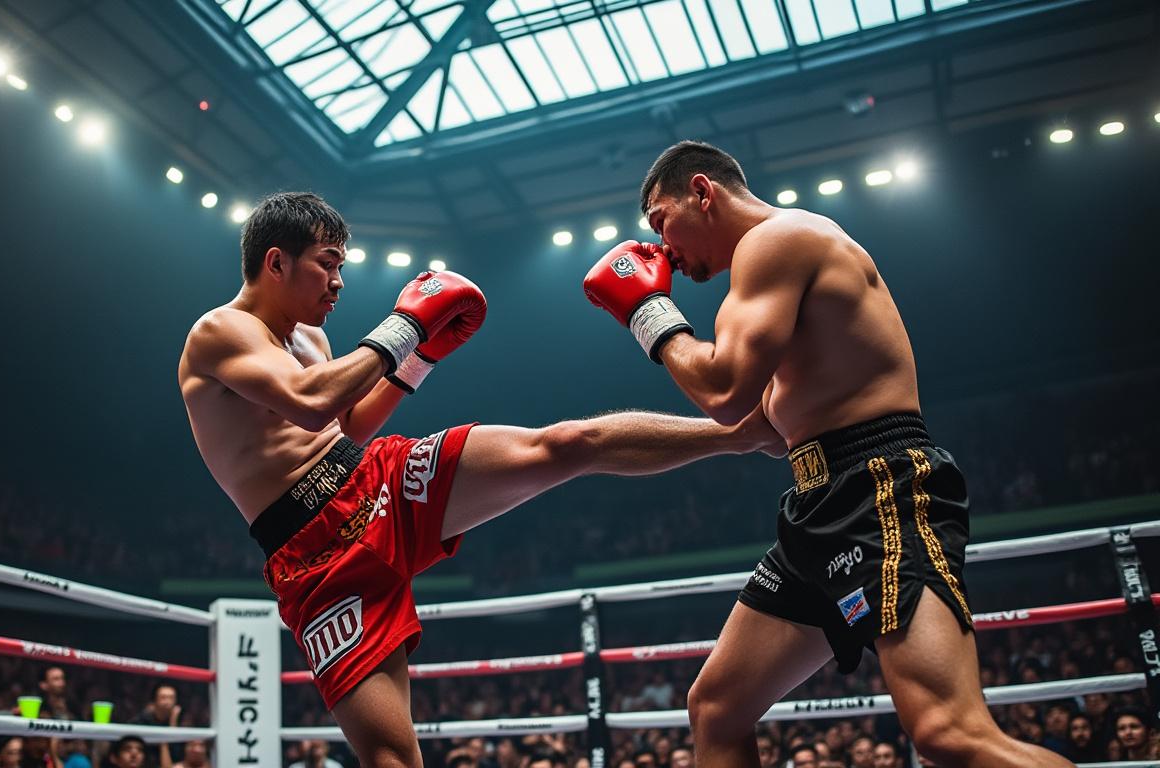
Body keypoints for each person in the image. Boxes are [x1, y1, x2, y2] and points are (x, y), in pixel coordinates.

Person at [178, 192, 782, 765]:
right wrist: (405, 325)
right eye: (327, 264)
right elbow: (307, 403)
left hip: (375, 479)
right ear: (275, 262)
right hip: (313, 552)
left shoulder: (310, 335)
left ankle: (741, 435)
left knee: (565, 444)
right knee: (392, 756)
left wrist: (421, 356)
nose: (338, 281)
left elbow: (349, 424)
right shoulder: (218, 332)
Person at [582, 140, 1073, 768]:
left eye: (660, 220)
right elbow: (751, 427)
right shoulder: (775, 285)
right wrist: (599, 445)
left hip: (880, 487)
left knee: (949, 733)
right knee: (717, 708)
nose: (661, 248)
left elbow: (725, 391)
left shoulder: (777, 241)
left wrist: (650, 314)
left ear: (702, 192)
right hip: (819, 507)